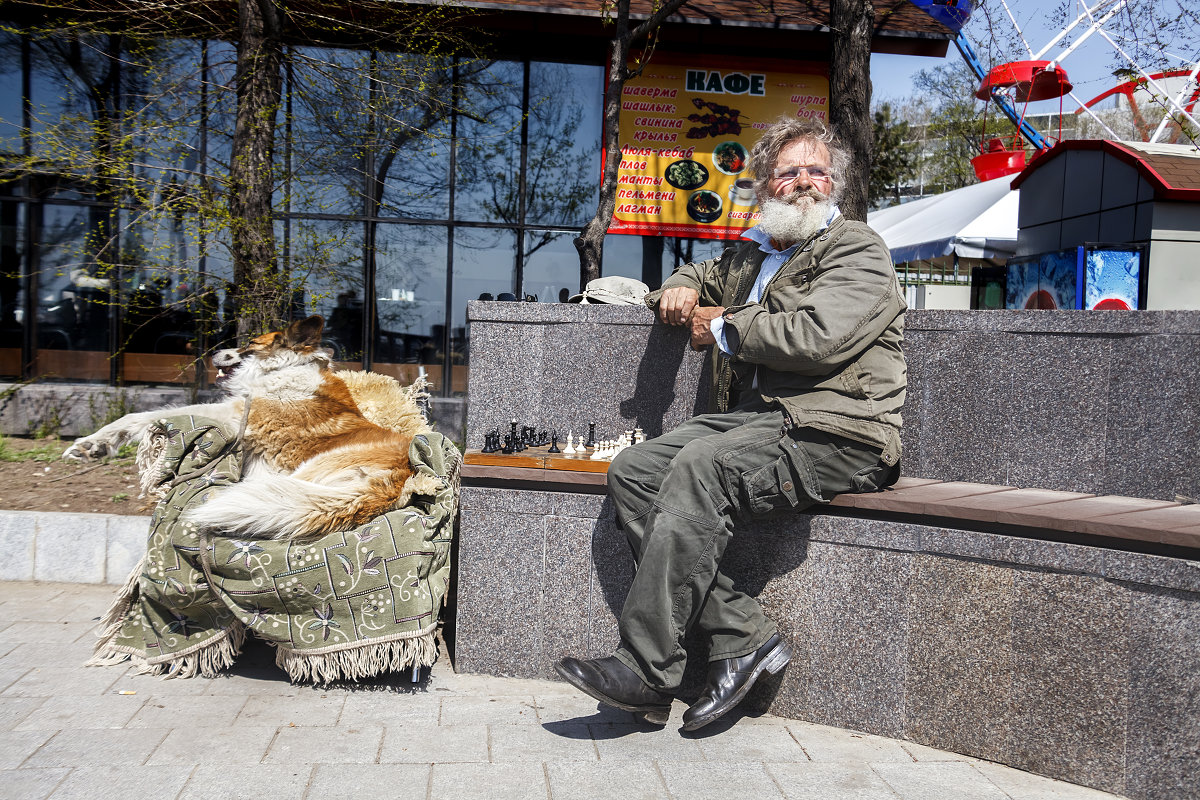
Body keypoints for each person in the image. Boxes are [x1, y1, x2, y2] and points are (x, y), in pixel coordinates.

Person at [554, 117, 907, 731]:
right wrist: (683, 284)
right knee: (635, 471)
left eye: (817, 170)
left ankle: (646, 668)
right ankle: (742, 636)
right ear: (766, 186)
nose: (804, 182)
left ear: (835, 185)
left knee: (700, 467)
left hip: (840, 430)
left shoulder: (856, 248)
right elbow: (703, 273)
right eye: (789, 171)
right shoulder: (759, 251)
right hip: (761, 421)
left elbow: (819, 337)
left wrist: (723, 326)